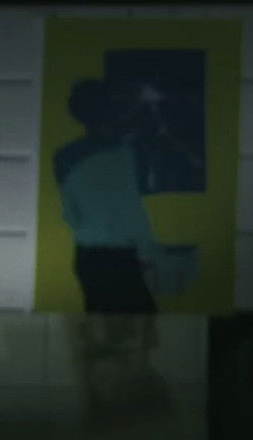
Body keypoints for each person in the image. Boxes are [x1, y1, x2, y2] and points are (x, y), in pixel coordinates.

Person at [52, 78, 177, 312]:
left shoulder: (64, 156)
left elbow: (71, 214)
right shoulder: (125, 153)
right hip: (121, 253)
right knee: (138, 323)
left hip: (89, 254)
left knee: (105, 323)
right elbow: (130, 207)